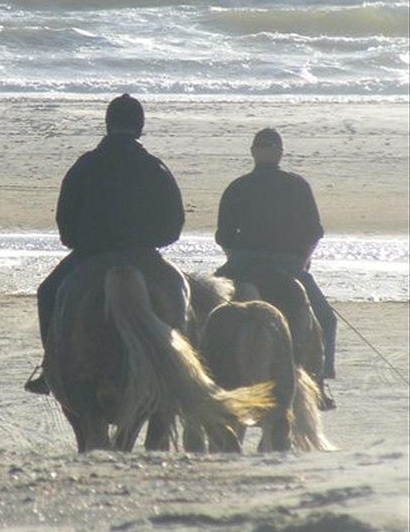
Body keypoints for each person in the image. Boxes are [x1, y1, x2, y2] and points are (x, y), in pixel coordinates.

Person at [25, 93, 185, 394]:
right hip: (143, 255)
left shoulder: (86, 164)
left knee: (47, 292)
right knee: (179, 292)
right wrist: (152, 245)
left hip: (91, 254)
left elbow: (65, 219)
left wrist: (79, 243)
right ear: (139, 128)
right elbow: (173, 224)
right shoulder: (155, 167)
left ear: (108, 125)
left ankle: (52, 368)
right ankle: (181, 369)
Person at [214, 127, 337, 381]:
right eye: (268, 147)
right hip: (287, 264)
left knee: (206, 303)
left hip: (244, 263)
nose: (267, 151)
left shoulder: (237, 187)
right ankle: (320, 378)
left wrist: (233, 260)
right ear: (280, 153)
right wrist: (303, 262)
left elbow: (224, 237)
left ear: (253, 153)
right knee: (326, 318)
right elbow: (313, 233)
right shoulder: (297, 185)